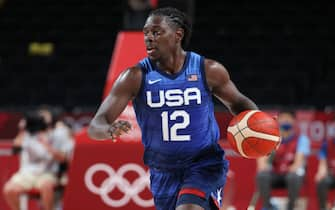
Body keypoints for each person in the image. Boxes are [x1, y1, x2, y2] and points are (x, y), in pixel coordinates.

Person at [88, 7, 258, 210]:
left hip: (204, 165)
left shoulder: (208, 70)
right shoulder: (134, 76)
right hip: (163, 172)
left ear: (178, 35)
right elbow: (96, 124)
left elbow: (239, 103)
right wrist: (108, 130)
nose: (149, 38)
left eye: (157, 32)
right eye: (146, 33)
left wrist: (259, 127)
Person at [3, 109, 74, 210]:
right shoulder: (28, 132)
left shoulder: (59, 134)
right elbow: (16, 148)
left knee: (46, 187)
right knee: (9, 189)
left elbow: (63, 159)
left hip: (47, 174)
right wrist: (22, 130)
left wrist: (46, 144)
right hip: (26, 175)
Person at [256, 110, 310, 210]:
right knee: (262, 176)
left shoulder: (302, 139)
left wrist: (287, 168)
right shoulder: (271, 139)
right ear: (278, 120)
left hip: (291, 175)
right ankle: (268, 207)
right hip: (275, 175)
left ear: (294, 121)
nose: (286, 120)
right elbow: (262, 163)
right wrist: (265, 165)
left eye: (288, 118)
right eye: (283, 118)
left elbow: (297, 164)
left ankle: (291, 207)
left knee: (293, 177)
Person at [315, 137, 335, 210]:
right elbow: (322, 163)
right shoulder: (327, 144)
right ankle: (323, 207)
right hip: (331, 174)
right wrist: (321, 173)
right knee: (321, 181)